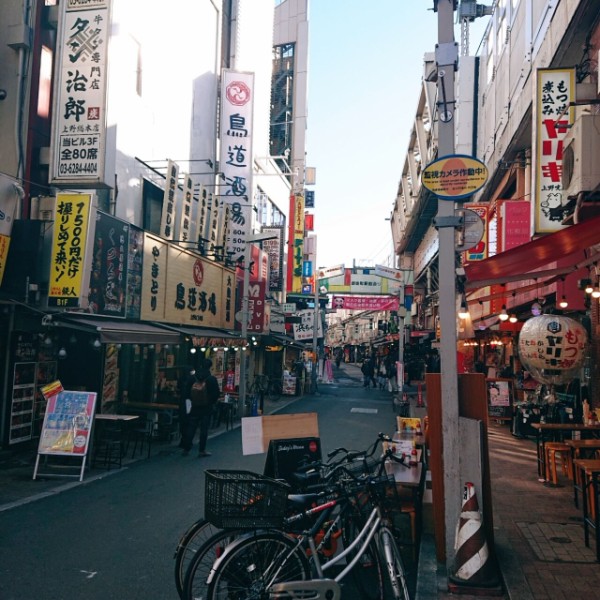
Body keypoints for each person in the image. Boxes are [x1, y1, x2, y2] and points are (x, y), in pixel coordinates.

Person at [181, 359, 220, 457]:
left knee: (191, 427)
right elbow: (216, 394)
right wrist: (211, 403)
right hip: (206, 408)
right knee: (204, 429)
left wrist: (189, 404)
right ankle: (201, 450)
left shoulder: (192, 378)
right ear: (210, 367)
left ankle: (186, 448)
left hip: (194, 407)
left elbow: (186, 393)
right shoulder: (211, 379)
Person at [177, 365, 196, 448]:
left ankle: (183, 440)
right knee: (190, 421)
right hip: (190, 401)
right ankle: (188, 441)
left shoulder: (181, 379)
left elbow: (178, 388)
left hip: (182, 401)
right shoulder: (193, 379)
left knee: (183, 421)